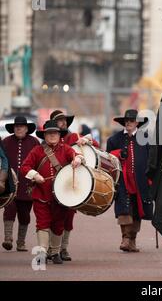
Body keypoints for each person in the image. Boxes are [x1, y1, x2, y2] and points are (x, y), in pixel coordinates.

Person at [20, 120, 83, 265]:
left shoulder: (66, 149)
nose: (52, 135)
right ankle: (42, 253)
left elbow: (78, 155)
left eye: (55, 133)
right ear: (45, 135)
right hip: (41, 195)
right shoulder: (37, 151)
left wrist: (78, 159)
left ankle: (54, 252)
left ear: (59, 135)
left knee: (58, 224)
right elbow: (25, 167)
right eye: (49, 133)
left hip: (61, 196)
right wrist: (35, 175)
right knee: (42, 223)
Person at [49, 110, 100, 261]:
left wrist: (88, 139)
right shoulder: (47, 140)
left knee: (68, 218)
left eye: (65, 120)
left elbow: (95, 146)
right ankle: (52, 248)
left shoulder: (73, 137)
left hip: (71, 182)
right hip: (52, 183)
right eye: (60, 120)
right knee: (51, 217)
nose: (63, 122)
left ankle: (63, 249)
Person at [107, 109, 152, 252]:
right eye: (126, 121)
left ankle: (132, 240)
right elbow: (108, 160)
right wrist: (117, 154)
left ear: (137, 122)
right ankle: (125, 238)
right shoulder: (114, 140)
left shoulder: (146, 139)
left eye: (131, 120)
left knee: (138, 211)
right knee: (124, 209)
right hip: (122, 182)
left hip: (140, 182)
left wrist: (152, 178)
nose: (128, 123)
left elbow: (152, 160)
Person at [1, 117, 40, 251]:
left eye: (22, 126)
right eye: (16, 126)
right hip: (9, 183)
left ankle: (21, 242)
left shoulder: (34, 142)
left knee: (25, 214)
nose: (18, 128)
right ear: (13, 128)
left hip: (27, 184)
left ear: (27, 128)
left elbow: (38, 162)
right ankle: (7, 238)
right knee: (9, 210)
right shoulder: (6, 141)